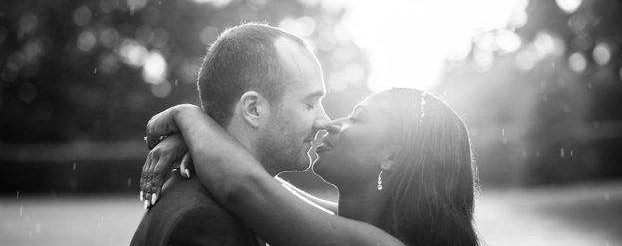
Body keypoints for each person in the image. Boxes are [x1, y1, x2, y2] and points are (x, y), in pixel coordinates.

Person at [141, 88, 480, 246]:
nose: (330, 123)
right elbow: (268, 184)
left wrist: (186, 115)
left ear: (390, 156)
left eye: (357, 118)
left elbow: (245, 186)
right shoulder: (362, 224)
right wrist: (201, 137)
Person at [130, 23, 332, 246]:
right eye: (309, 104)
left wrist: (193, 125)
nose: (325, 121)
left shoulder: (234, 204)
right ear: (253, 109)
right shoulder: (207, 221)